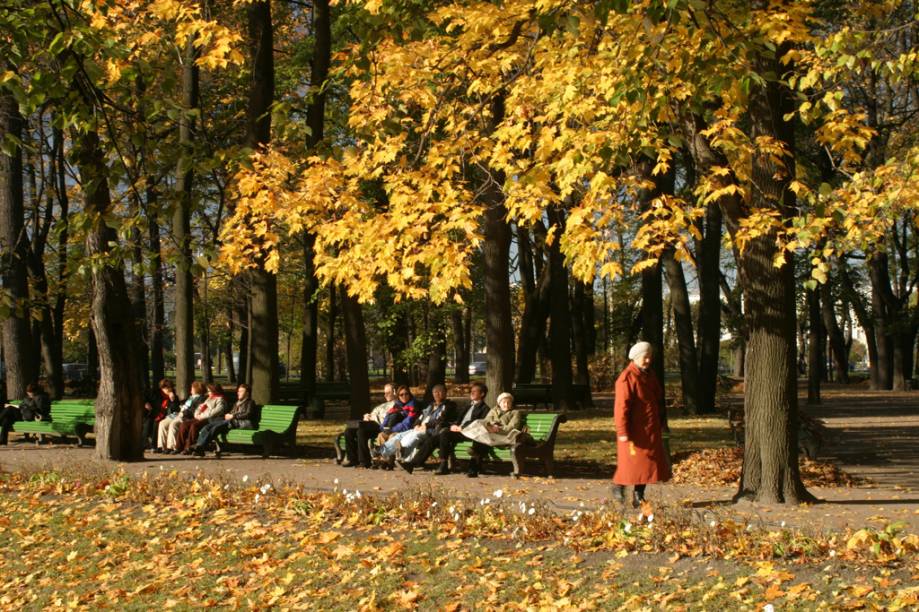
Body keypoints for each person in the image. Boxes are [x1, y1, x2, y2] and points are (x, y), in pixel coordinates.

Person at [612, 341, 671, 506]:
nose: (648, 361)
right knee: (631, 463)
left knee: (646, 465)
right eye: (645, 357)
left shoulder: (649, 374)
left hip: (649, 429)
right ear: (636, 358)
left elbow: (657, 397)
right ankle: (618, 486)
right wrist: (622, 431)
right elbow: (621, 408)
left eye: (649, 357)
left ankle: (639, 495)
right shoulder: (626, 378)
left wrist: (660, 421)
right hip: (634, 430)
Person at [374, 383, 456, 472]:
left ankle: (403, 451)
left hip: (431, 431)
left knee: (415, 435)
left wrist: (426, 425)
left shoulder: (449, 405)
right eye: (435, 392)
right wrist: (417, 424)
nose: (437, 394)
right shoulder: (431, 406)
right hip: (420, 429)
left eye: (440, 392)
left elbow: (441, 420)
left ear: (445, 393)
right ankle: (382, 449)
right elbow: (421, 416)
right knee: (400, 436)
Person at [461, 391, 526, 478]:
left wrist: (498, 428)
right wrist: (492, 425)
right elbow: (486, 421)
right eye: (504, 402)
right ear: (499, 403)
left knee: (480, 444)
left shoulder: (515, 413)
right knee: (480, 437)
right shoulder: (493, 410)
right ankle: (475, 468)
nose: (506, 404)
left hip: (505, 436)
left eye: (508, 402)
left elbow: (512, 427)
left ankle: (473, 467)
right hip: (491, 435)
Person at [431, 382, 490, 475]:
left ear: (482, 394)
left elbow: (478, 423)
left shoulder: (485, 409)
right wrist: (453, 426)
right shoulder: (468, 406)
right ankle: (443, 464)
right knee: (445, 433)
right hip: (460, 431)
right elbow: (459, 420)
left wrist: (462, 427)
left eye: (475, 391)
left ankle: (473, 467)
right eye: (471, 391)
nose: (472, 393)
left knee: (478, 438)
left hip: (472, 432)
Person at [340, 383, 400, 468]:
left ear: (394, 392)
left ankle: (364, 462)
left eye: (388, 393)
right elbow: (373, 413)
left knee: (361, 431)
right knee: (348, 431)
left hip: (382, 428)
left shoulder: (397, 405)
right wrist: (367, 416)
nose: (385, 395)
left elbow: (389, 420)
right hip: (371, 425)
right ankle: (352, 459)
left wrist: (375, 418)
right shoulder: (382, 405)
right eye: (384, 393)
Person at [192, 383, 258, 456]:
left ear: (247, 393)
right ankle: (198, 446)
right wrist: (228, 415)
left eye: (241, 391)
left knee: (215, 428)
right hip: (231, 422)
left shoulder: (250, 402)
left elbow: (248, 414)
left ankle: (201, 448)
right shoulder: (237, 402)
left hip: (242, 423)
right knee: (207, 427)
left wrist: (233, 416)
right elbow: (231, 412)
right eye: (238, 391)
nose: (238, 393)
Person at [175, 383, 227, 454]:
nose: (208, 393)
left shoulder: (220, 400)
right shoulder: (208, 399)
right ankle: (178, 447)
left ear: (215, 391)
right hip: (200, 417)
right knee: (184, 424)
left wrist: (201, 416)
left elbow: (214, 412)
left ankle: (189, 448)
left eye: (209, 391)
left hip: (209, 420)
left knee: (194, 426)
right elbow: (199, 408)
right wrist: (196, 415)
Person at [158, 381, 206, 454]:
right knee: (163, 423)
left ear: (196, 389)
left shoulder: (201, 399)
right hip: (179, 414)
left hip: (186, 416)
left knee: (173, 424)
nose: (191, 390)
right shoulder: (191, 397)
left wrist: (184, 411)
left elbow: (195, 410)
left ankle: (171, 447)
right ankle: (162, 446)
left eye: (192, 388)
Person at [142, 379, 178, 451]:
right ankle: (143, 444)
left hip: (166, 415)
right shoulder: (155, 393)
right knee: (148, 422)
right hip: (152, 413)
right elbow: (143, 396)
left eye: (170, 388)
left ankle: (154, 446)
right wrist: (145, 403)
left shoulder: (173, 396)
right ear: (162, 388)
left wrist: (172, 400)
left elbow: (175, 409)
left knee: (157, 423)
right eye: (166, 388)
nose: (168, 390)